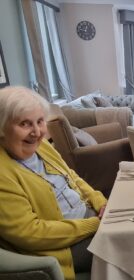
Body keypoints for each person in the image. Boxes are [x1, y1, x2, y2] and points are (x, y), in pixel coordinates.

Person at [0, 86, 107, 280]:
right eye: (25, 124)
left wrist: (99, 202)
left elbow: (72, 177)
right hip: (61, 247)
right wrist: (94, 224)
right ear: (2, 127)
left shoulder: (42, 147)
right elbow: (31, 233)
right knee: (129, 243)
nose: (37, 132)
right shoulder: (2, 172)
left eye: (40, 121)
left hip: (88, 218)